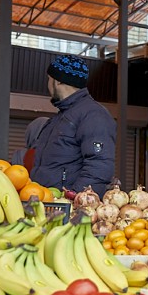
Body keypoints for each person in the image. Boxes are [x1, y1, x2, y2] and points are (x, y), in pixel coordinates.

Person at [33, 55, 115, 194]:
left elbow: (99, 166)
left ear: (58, 80)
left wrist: (73, 198)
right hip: (48, 200)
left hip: (67, 204)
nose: (48, 84)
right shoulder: (61, 117)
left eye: (49, 78)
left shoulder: (93, 115)